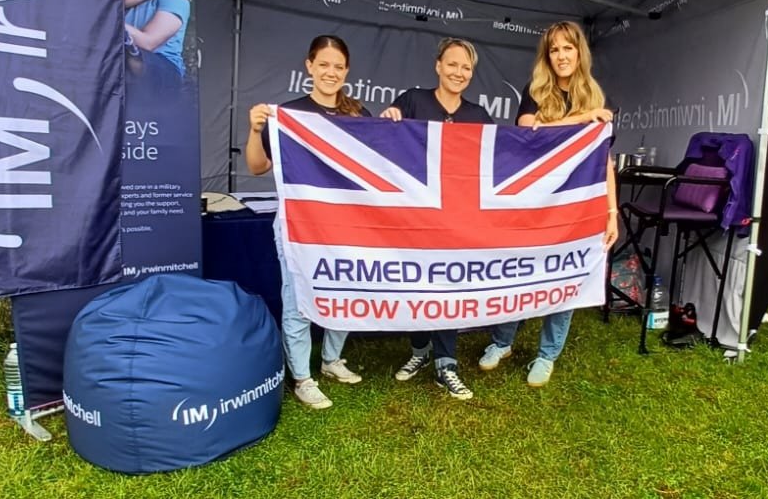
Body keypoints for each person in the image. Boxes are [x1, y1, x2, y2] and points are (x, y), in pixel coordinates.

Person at [478, 20, 618, 387]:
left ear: (579, 52)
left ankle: (547, 354)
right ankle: (502, 342)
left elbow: (605, 162)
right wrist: (584, 119)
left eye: (567, 48)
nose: (561, 56)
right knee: (518, 275)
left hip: (574, 208)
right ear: (547, 55)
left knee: (565, 278)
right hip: (531, 204)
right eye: (554, 49)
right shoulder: (536, 90)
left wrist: (611, 213)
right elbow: (528, 131)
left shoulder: (596, 95)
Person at [245, 34, 370, 410]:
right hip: (299, 224)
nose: (331, 73)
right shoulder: (288, 115)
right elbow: (257, 168)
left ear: (347, 71)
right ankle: (302, 377)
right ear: (310, 67)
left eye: (338, 66)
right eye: (324, 65)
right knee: (297, 297)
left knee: (345, 294)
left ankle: (331, 361)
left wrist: (392, 125)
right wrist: (254, 129)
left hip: (345, 224)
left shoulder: (358, 115)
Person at [381, 37, 492, 401]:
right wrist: (390, 120)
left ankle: (446, 362)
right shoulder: (413, 101)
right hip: (416, 217)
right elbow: (385, 142)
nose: (459, 72)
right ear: (438, 66)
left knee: (449, 287)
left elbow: (499, 158)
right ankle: (419, 350)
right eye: (453, 64)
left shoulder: (478, 115)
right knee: (416, 285)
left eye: (466, 68)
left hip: (457, 220)